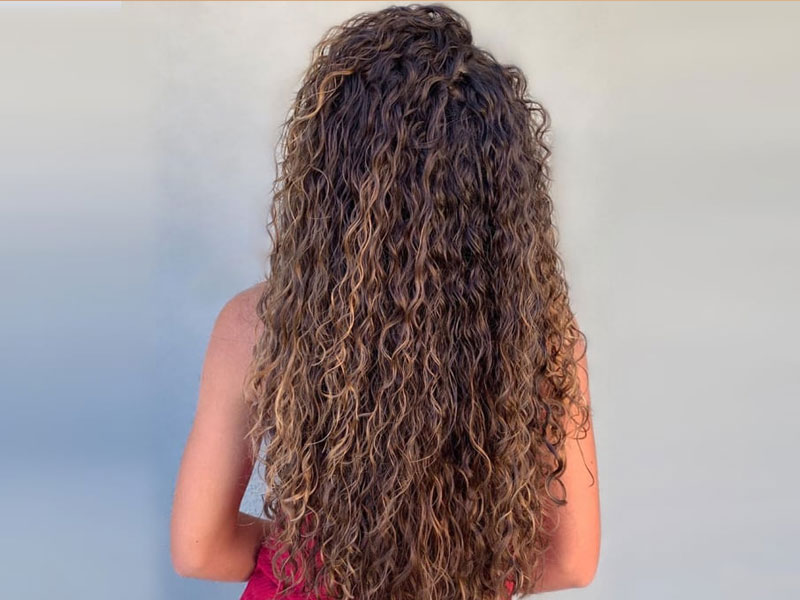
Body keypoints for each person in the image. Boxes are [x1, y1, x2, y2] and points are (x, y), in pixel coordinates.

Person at [170, 4, 600, 599]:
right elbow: (570, 563)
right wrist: (444, 569)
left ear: (329, 176)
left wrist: (326, 557)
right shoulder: (540, 336)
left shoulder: (260, 325)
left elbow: (200, 549)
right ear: (504, 194)